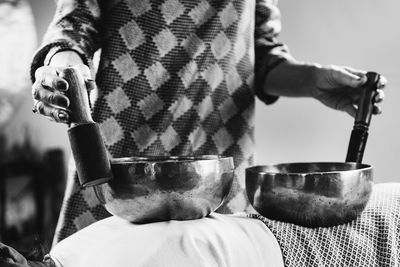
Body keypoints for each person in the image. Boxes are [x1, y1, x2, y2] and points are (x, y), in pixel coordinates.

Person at [30, 0, 386, 245]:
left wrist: (312, 80)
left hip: (218, 180)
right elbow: (73, 29)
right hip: (122, 174)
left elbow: (260, 53)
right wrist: (61, 71)